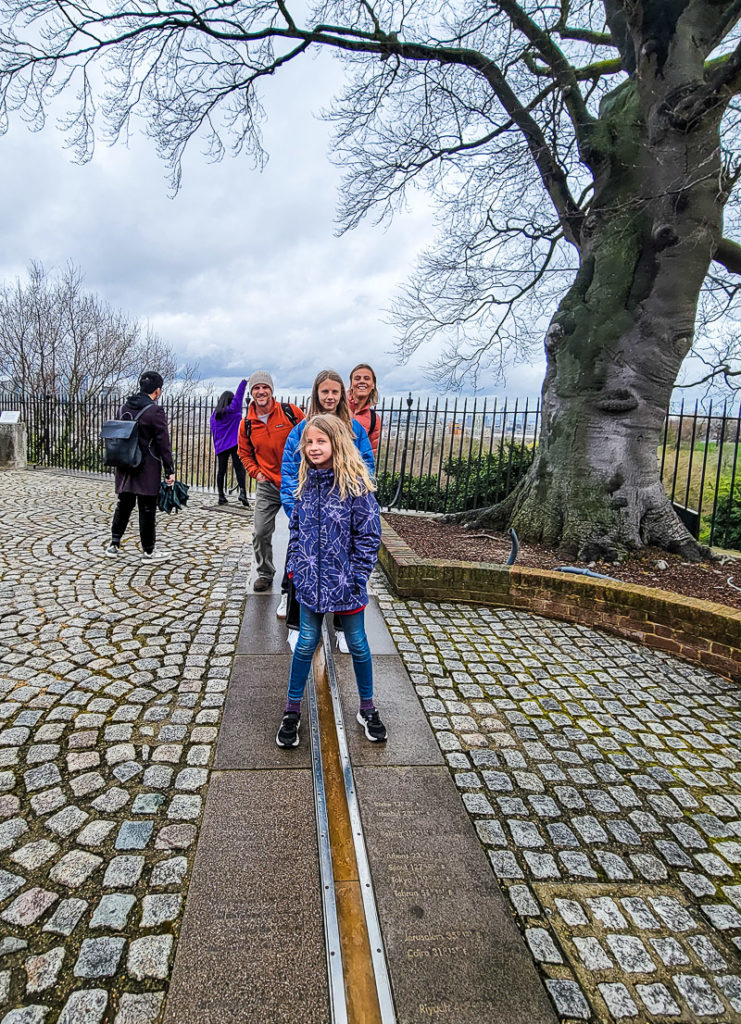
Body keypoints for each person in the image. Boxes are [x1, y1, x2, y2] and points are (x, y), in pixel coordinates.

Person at [276, 415, 386, 748]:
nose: (313, 447)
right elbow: (296, 529)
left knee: (358, 644)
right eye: (309, 442)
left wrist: (357, 575)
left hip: (346, 584)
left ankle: (367, 707)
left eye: (320, 441)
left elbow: (369, 536)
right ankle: (292, 710)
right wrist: (296, 565)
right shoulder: (305, 484)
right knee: (306, 643)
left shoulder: (356, 486)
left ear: (336, 443)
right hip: (309, 582)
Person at [280, 369, 375, 652]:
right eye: (325, 392)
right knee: (301, 565)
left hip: (341, 511)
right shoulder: (302, 429)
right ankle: (297, 624)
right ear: (317, 394)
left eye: (335, 391)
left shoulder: (354, 429)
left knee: (345, 571)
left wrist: (358, 498)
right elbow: (289, 469)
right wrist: (295, 507)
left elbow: (366, 463)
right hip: (310, 508)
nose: (330, 397)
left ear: (341, 394)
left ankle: (342, 628)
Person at [238, 371, 304, 595]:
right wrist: (256, 472)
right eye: (256, 388)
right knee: (260, 531)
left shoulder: (290, 413)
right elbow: (244, 453)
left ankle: (303, 572)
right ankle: (265, 572)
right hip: (268, 485)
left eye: (264, 387)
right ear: (252, 393)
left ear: (271, 390)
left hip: (295, 481)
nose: (261, 391)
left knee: (303, 529)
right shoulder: (246, 424)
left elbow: (310, 435)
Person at [106, 370, 175, 561]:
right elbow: (163, 443)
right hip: (147, 466)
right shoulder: (155, 411)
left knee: (124, 504)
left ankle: (114, 544)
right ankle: (148, 551)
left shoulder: (124, 407)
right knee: (147, 509)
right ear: (158, 390)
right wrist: (169, 470)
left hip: (125, 463)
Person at [210, 379, 249, 506]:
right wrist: (244, 382)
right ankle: (243, 492)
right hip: (235, 443)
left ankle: (221, 495)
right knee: (239, 468)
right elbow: (239, 395)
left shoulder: (215, 415)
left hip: (221, 446)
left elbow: (214, 431)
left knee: (221, 471)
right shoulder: (233, 410)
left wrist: (217, 444)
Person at [348, 363, 381, 457]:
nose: (362, 381)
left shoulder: (374, 419)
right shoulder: (337, 407)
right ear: (351, 385)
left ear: (373, 385)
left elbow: (369, 454)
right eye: (357, 378)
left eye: (366, 378)